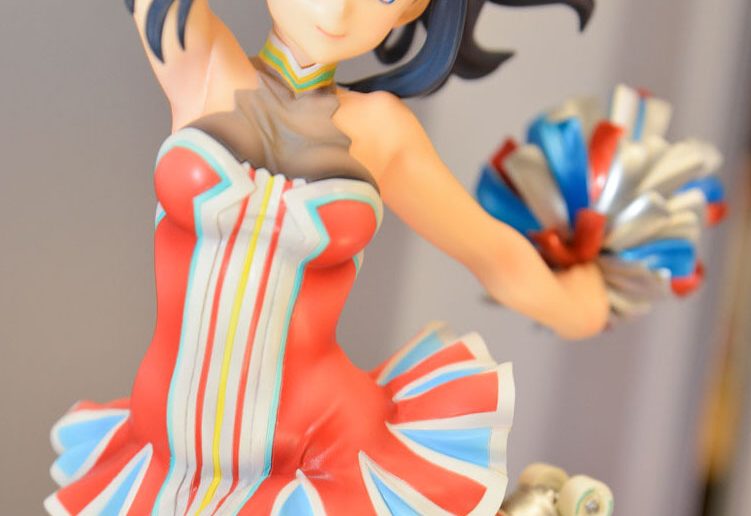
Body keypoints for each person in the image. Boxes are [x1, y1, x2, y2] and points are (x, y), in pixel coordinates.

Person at [46, 0, 606, 513]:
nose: (338, 10)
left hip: (318, 458)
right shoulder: (202, 65)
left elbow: (494, 254)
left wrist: (581, 306)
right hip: (164, 446)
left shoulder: (381, 133)